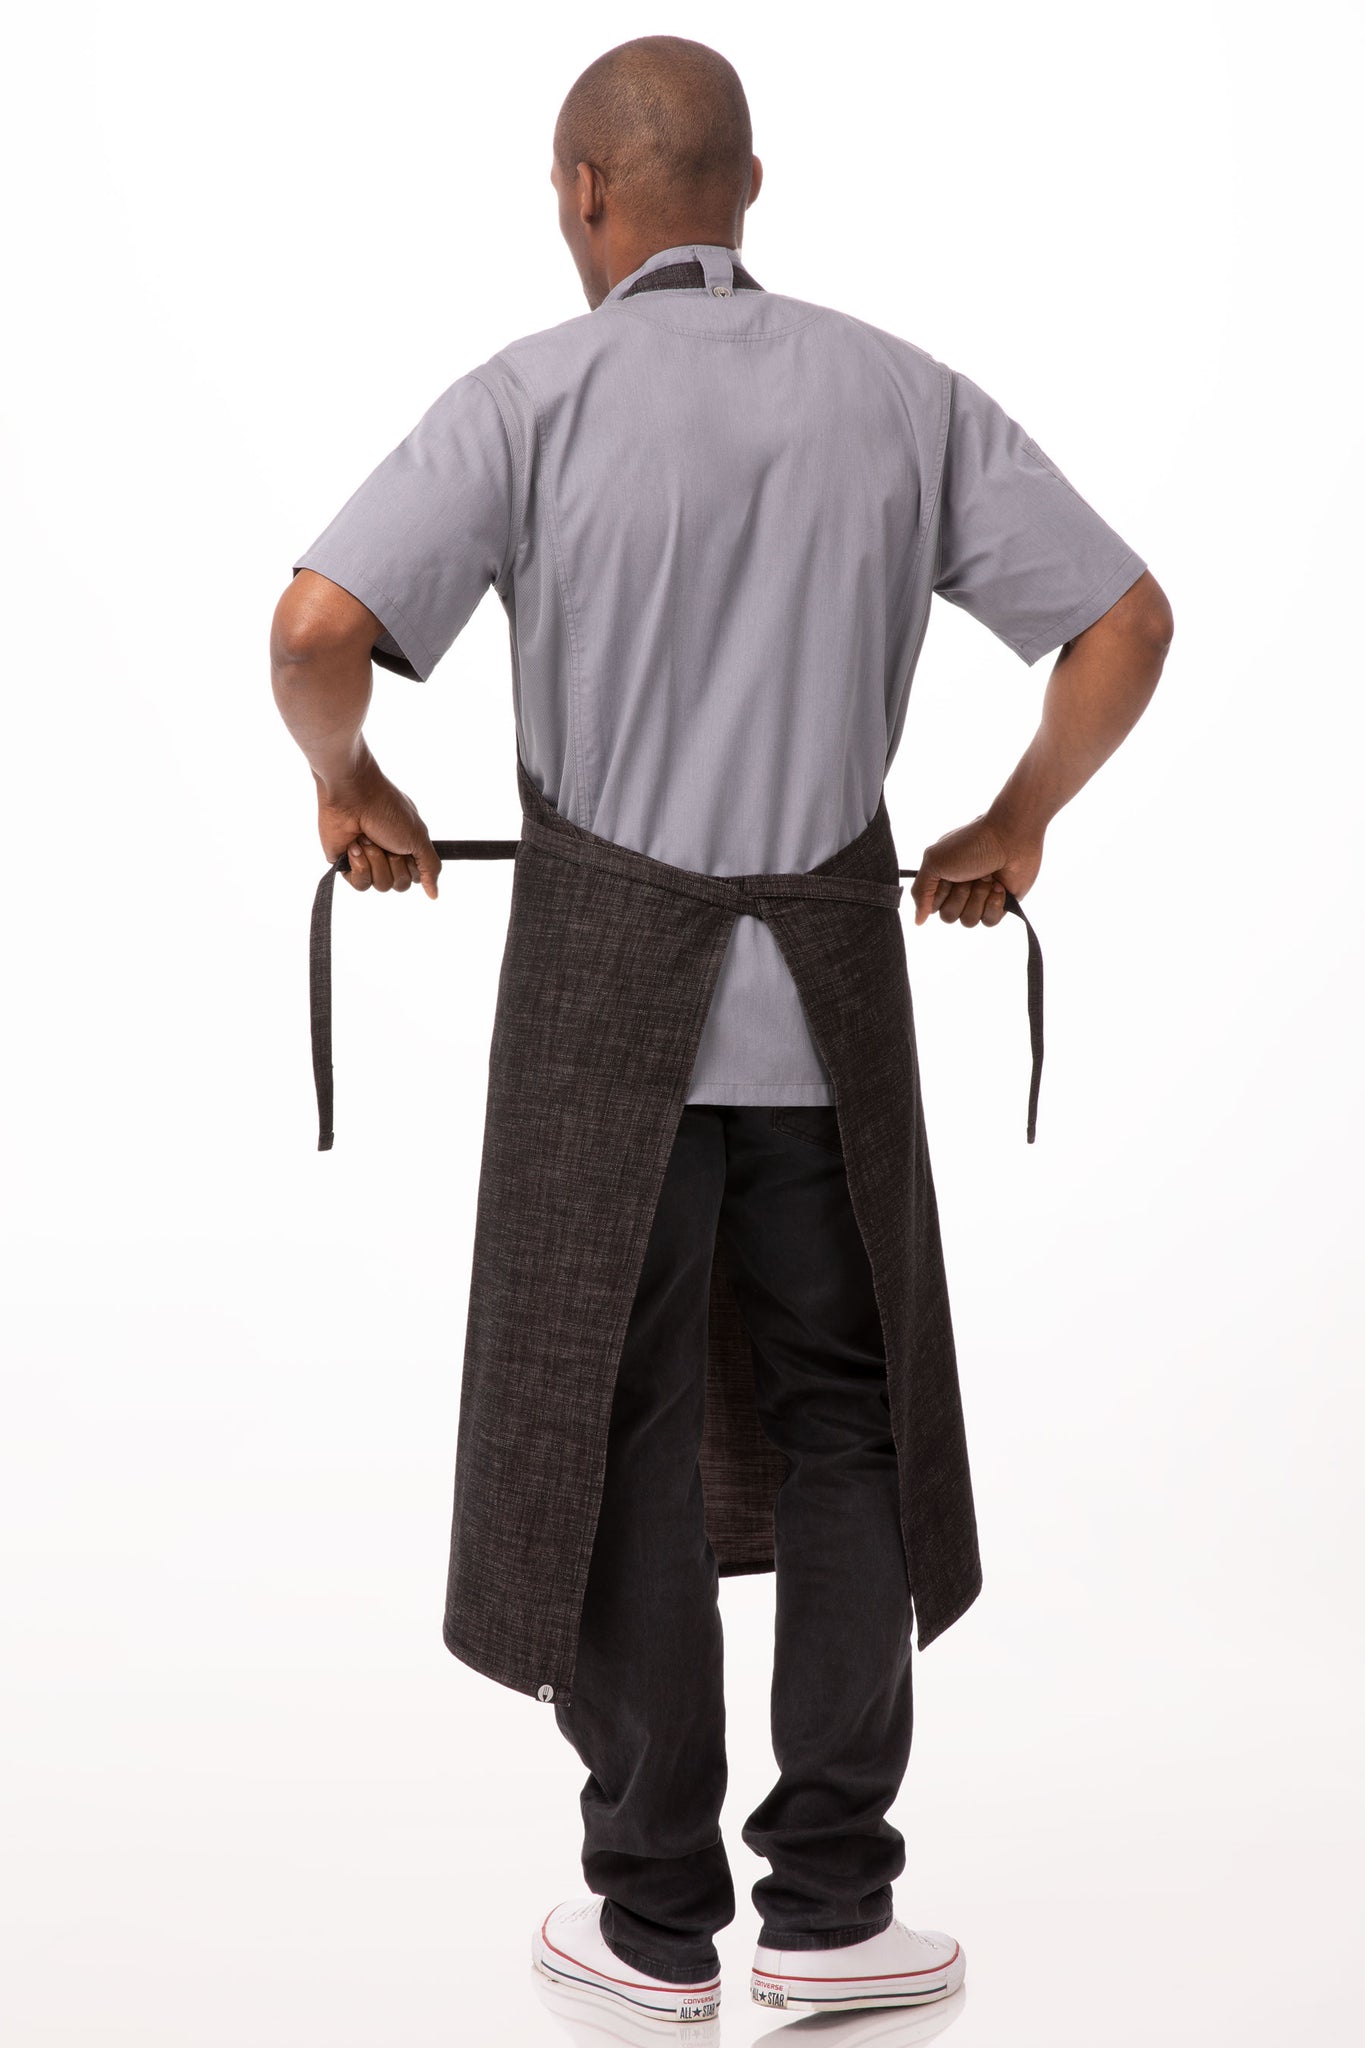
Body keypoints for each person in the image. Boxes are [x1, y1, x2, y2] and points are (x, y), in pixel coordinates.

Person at [270, 33, 1174, 2027]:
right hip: (829, 1007)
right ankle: (834, 1912)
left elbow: (317, 628)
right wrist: (1011, 819)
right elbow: (1125, 622)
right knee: (851, 1410)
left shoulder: (529, 396)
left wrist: (350, 784)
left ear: (584, 194)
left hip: (605, 1001)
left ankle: (649, 1919)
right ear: (747, 191)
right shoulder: (901, 394)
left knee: (612, 1418)